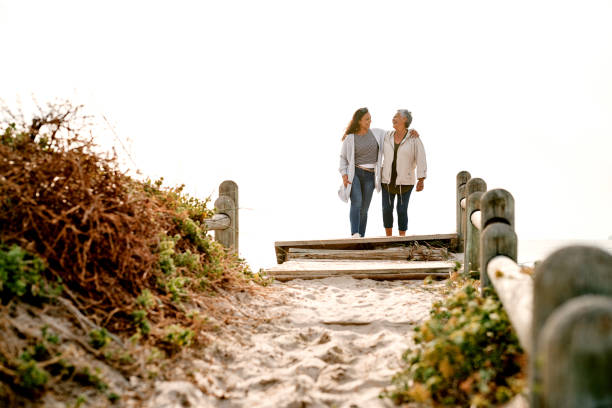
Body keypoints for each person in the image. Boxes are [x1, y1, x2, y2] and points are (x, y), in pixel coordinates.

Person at [380, 109, 427, 236]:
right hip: (387, 180)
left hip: (405, 182)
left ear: (405, 120)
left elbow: (421, 158)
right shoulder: (386, 136)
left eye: (396, 116)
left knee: (401, 210)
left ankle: (402, 238)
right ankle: (388, 238)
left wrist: (421, 179)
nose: (393, 118)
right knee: (386, 209)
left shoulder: (413, 138)